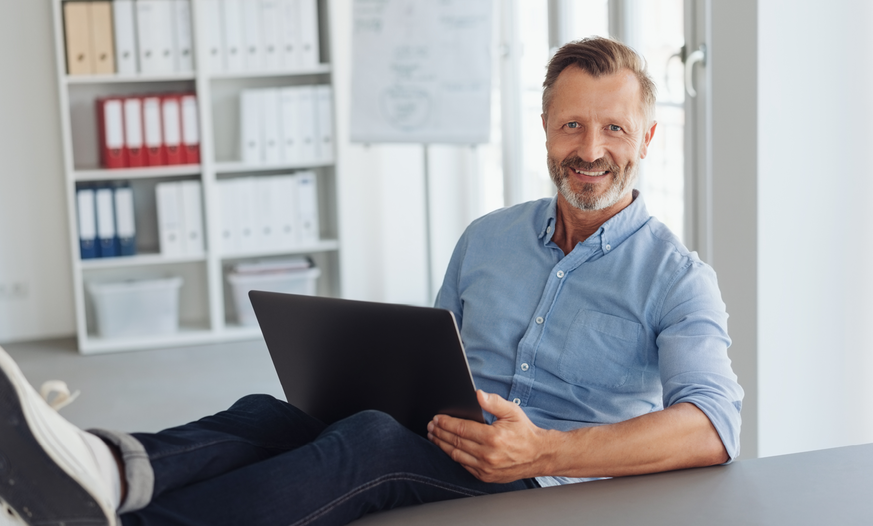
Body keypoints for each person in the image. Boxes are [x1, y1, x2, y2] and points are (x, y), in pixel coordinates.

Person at [0, 37, 742, 526]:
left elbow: (712, 427)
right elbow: (425, 355)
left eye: (613, 129)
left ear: (646, 138)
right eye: (571, 126)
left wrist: (544, 451)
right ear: (544, 128)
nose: (590, 150)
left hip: (534, 483)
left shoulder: (678, 280)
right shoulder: (487, 237)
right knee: (272, 415)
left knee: (367, 443)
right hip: (441, 432)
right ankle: (103, 467)